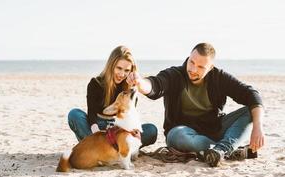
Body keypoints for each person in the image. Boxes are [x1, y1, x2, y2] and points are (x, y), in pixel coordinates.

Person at [126, 43, 265, 167]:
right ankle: (226, 149)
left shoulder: (219, 77)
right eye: (191, 62)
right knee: (181, 136)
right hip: (181, 133)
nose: (193, 69)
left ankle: (220, 150)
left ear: (210, 68)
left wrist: (258, 127)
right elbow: (155, 86)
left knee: (249, 112)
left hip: (213, 128)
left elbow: (251, 95)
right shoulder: (174, 75)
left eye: (200, 67)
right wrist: (140, 82)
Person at [68, 45, 158, 148]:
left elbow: (129, 117)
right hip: (97, 128)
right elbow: (91, 114)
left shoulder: (130, 90)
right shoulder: (95, 83)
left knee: (151, 130)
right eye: (119, 68)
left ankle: (106, 150)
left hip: (118, 129)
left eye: (126, 70)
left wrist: (135, 131)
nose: (122, 74)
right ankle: (101, 147)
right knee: (74, 114)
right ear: (111, 65)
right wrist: (96, 133)